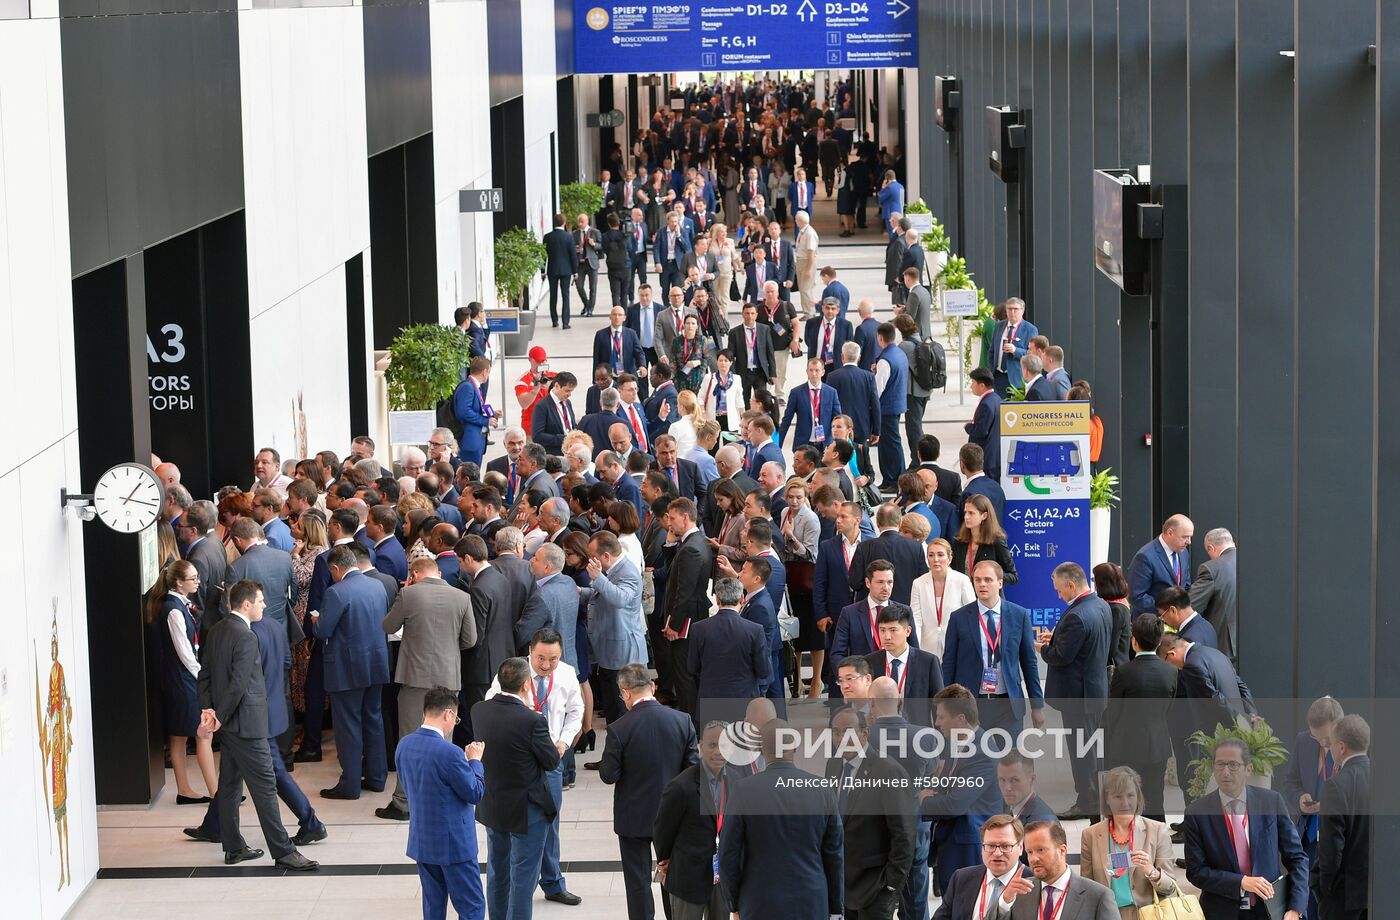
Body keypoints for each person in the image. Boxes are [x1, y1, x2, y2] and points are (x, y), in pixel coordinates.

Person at [194, 580, 318, 870]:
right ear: (246, 604)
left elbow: (206, 674)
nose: (264, 605)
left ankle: (234, 848)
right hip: (248, 726)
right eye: (260, 601)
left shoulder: (217, 630)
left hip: (231, 726)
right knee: (264, 787)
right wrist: (219, 716)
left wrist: (209, 710)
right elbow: (239, 684)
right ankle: (284, 851)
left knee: (228, 787)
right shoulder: (246, 637)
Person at [486, 630, 584, 907]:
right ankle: (515, 885)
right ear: (530, 651)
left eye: (552, 659)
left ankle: (553, 883)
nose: (545, 665)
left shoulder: (566, 674)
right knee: (513, 824)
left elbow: (576, 711)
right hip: (516, 762)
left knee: (549, 823)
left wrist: (564, 742)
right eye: (540, 658)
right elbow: (492, 705)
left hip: (550, 759)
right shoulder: (512, 672)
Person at [376, 557, 477, 821]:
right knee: (446, 740)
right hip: (448, 677)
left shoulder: (408, 594)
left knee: (409, 738)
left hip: (415, 677)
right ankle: (444, 795)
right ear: (439, 573)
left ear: (415, 573)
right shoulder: (461, 596)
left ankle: (403, 802)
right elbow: (470, 640)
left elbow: (388, 626)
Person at [600, 664, 699, 920]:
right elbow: (694, 771)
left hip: (633, 817)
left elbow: (608, 775)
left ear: (625, 693)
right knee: (673, 878)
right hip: (674, 816)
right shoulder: (682, 721)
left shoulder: (619, 728)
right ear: (652, 687)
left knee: (637, 883)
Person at [717, 720, 843, 920]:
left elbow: (728, 855)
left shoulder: (743, 790)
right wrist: (836, 908)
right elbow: (834, 854)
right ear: (795, 746)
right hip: (812, 901)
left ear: (760, 748)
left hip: (759, 902)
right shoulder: (822, 789)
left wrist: (733, 903)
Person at [473, 657, 563, 920]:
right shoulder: (532, 720)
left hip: (493, 803)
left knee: (497, 871)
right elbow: (550, 761)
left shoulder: (479, 710)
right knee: (522, 878)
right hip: (527, 810)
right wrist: (557, 748)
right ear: (526, 685)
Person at [1183, 738, 1307, 920]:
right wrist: (1241, 882)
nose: (1225, 772)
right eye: (1220, 765)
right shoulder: (1197, 813)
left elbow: (1297, 857)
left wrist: (1295, 908)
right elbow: (1196, 871)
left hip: (1269, 910)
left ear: (1248, 769)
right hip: (1221, 911)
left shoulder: (1271, 802)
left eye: (1233, 765)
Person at [392, 688, 486, 920]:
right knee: (472, 906)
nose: (454, 723)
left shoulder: (404, 745)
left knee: (433, 906)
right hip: (454, 844)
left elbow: (408, 785)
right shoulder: (450, 753)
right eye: (456, 718)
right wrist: (475, 762)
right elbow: (475, 793)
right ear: (447, 714)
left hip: (423, 841)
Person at [315, 545, 392, 799]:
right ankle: (377, 778)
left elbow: (323, 630)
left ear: (336, 568)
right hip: (376, 663)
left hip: (346, 670)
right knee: (373, 720)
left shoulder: (336, 592)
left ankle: (350, 784)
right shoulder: (377, 586)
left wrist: (317, 621)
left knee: (348, 725)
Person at [1037, 561, 1113, 817]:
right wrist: (1057, 637)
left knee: (1082, 753)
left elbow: (1061, 657)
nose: (1059, 595)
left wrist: (1044, 649)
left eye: (1060, 590)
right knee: (1092, 750)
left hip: (1078, 696)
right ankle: (1095, 796)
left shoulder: (1077, 615)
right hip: (1094, 691)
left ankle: (1087, 801)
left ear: (1071, 584)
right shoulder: (1100, 605)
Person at [828, 706, 917, 920]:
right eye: (836, 732)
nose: (841, 738)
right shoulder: (833, 766)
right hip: (842, 885)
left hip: (875, 888)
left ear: (864, 733)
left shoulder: (888, 771)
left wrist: (890, 887)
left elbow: (904, 834)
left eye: (848, 732)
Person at [918, 685, 1005, 894]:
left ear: (960, 719)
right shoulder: (959, 742)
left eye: (941, 717)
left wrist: (923, 801)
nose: (937, 723)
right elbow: (943, 786)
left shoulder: (982, 752)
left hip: (967, 850)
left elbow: (954, 804)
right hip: (954, 844)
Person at [943, 560, 1044, 736]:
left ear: (1000, 582)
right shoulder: (959, 618)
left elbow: (1029, 662)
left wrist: (1037, 706)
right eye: (977, 580)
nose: (982, 584)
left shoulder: (1019, 615)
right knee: (973, 760)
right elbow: (949, 663)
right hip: (971, 704)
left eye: (988, 580)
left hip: (1008, 704)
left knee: (1010, 760)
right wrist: (946, 706)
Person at [147, 561, 217, 802]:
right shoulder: (174, 610)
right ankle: (215, 792)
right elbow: (184, 652)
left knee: (180, 736)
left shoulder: (178, 606)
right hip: (184, 679)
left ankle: (186, 790)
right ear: (178, 582)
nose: (197, 582)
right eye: (193, 579)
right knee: (201, 732)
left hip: (182, 677)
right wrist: (202, 677)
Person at [653, 721, 733, 920]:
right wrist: (666, 859)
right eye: (712, 745)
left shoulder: (736, 783)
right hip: (688, 878)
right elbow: (663, 831)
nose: (718, 751)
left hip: (722, 877)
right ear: (701, 746)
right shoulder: (681, 787)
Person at [1104, 613, 1178, 823]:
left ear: (1133, 641)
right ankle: (1158, 850)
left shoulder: (1124, 672)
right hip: (1158, 745)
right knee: (1155, 799)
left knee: (1125, 800)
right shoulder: (1171, 672)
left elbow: (1114, 712)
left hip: (1125, 746)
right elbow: (1169, 708)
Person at [1079, 766, 1179, 919]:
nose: (1125, 803)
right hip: (1107, 914)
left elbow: (1170, 887)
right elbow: (1086, 887)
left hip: (1146, 914)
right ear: (1107, 798)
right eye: (1118, 796)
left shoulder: (1157, 831)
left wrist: (1151, 871)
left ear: (1138, 797)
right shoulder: (1090, 835)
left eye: (1130, 795)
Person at [1278, 696, 1342, 919]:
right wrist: (1299, 798)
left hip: (1339, 839)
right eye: (1318, 738)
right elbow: (1290, 781)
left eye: (1326, 738)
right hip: (1308, 836)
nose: (1323, 744)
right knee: (1308, 899)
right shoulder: (1304, 741)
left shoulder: (1356, 748)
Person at [583, 531, 647, 725]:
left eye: (592, 556)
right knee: (612, 707)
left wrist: (598, 578)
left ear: (605, 557)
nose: (589, 560)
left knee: (621, 710)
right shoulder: (612, 571)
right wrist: (580, 591)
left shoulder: (628, 572)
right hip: (610, 650)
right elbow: (600, 595)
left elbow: (620, 599)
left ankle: (624, 753)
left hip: (623, 653)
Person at [687, 577, 770, 724]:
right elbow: (763, 671)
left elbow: (692, 668)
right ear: (742, 598)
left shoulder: (698, 628)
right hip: (745, 702)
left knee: (712, 744)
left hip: (710, 701)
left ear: (717, 599)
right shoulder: (755, 630)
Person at [998, 821, 1119, 919]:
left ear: (1062, 850)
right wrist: (1005, 901)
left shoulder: (1097, 896)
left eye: (1041, 850)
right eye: (1029, 852)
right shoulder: (1020, 892)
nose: (1034, 858)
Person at [660, 499, 714, 716]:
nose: (669, 523)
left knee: (685, 675)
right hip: (691, 617)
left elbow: (685, 592)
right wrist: (670, 544)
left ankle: (691, 724)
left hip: (687, 621)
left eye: (672, 518)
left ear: (685, 517)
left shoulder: (691, 548)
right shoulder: (695, 541)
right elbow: (675, 569)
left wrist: (674, 624)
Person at [1314, 714, 1370, 920]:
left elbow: (1331, 848)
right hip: (1379, 895)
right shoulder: (1388, 780)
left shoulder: (1335, 786)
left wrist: (1324, 889)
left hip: (1343, 898)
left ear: (1341, 747)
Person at [932, 814, 1033, 920]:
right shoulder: (961, 878)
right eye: (990, 846)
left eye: (1005, 846)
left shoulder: (1035, 883)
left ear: (1021, 847)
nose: (997, 853)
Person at [863, 604, 944, 727]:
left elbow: (939, 707)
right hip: (879, 733)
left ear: (907, 631)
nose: (887, 636)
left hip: (917, 734)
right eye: (882, 630)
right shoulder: (870, 662)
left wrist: (937, 741)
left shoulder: (928, 662)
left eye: (893, 630)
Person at [833, 560, 913, 670]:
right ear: (867, 583)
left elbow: (914, 652)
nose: (886, 587)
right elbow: (837, 654)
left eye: (890, 582)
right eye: (880, 582)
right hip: (862, 679)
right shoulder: (849, 613)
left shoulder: (905, 611)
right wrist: (850, 677)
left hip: (895, 677)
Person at [847, 504, 928, 605]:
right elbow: (924, 580)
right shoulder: (916, 547)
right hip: (905, 609)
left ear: (877, 522)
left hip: (873, 610)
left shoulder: (864, 547)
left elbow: (855, 582)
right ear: (900, 522)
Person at [910, 538, 976, 658]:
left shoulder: (962, 580)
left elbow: (971, 615)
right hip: (927, 648)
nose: (936, 559)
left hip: (956, 646)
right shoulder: (918, 583)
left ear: (949, 558)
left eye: (940, 555)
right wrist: (916, 649)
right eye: (931, 555)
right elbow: (916, 619)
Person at [1127, 514, 1196, 616]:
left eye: (1190, 537)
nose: (1189, 542)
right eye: (1185, 537)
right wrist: (1167, 612)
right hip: (1153, 625)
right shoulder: (1145, 556)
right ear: (1170, 533)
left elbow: (1185, 586)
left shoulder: (1183, 552)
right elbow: (1137, 596)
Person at [1190, 528, 1238, 660]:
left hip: (1224, 645)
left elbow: (1192, 607)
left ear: (1211, 548)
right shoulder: (1251, 562)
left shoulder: (1211, 568)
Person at [873, 322, 909, 491]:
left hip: (886, 408)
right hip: (896, 404)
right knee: (891, 443)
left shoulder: (885, 360)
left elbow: (878, 389)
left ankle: (894, 480)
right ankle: (891, 479)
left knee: (889, 445)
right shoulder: (899, 354)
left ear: (880, 338)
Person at [952, 493, 1018, 583]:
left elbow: (1013, 576)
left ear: (984, 516)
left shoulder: (996, 541)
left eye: (971, 513)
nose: (966, 517)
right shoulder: (959, 541)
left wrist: (992, 576)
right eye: (965, 512)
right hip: (964, 595)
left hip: (988, 595)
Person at [780, 355, 842, 450]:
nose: (814, 374)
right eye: (811, 370)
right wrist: (778, 445)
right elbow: (787, 419)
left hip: (825, 445)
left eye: (817, 370)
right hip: (803, 444)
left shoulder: (831, 392)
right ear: (806, 372)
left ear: (823, 372)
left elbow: (838, 418)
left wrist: (840, 443)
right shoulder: (796, 393)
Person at [988, 298, 1038, 398]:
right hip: (998, 376)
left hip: (1017, 379)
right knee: (999, 409)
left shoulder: (1030, 329)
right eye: (1009, 309)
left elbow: (1033, 355)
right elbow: (992, 350)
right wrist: (991, 370)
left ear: (1022, 310)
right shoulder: (999, 326)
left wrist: (1016, 350)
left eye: (1015, 309)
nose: (1012, 312)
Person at [997, 751, 1059, 828]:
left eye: (1014, 780)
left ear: (1032, 779)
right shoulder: (1012, 807)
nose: (1007, 788)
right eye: (1002, 780)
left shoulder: (1042, 825)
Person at [453, 356, 493, 467]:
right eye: (488, 372)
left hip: (476, 441)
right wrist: (486, 421)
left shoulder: (474, 386)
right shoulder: (467, 387)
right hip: (470, 442)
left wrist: (492, 413)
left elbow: (475, 408)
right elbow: (464, 412)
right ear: (484, 372)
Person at [965, 368, 1003, 480]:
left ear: (981, 385)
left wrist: (968, 427)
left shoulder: (986, 404)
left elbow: (981, 431)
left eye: (973, 383)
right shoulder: (996, 398)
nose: (971, 386)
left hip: (987, 456)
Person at [543, 213, 579, 328]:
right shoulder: (568, 237)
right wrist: (575, 271)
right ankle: (565, 322)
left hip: (552, 270)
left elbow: (543, 255)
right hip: (566, 270)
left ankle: (554, 320)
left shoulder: (547, 237)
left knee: (553, 296)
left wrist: (542, 271)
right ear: (564, 223)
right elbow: (573, 255)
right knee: (565, 295)